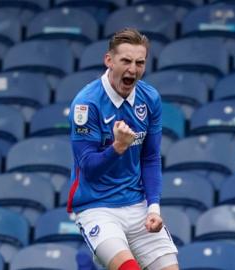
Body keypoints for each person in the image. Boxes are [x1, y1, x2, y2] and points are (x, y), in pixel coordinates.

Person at [67, 28, 178, 270]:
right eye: (126, 61)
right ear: (109, 60)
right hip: (97, 206)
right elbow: (88, 169)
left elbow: (150, 157)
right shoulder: (86, 104)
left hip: (136, 204)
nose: (133, 69)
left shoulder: (150, 99)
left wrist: (154, 208)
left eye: (140, 62)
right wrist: (117, 147)